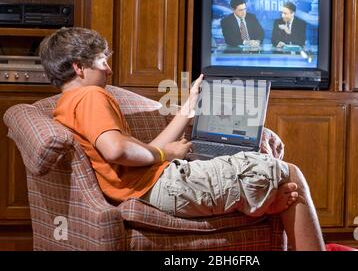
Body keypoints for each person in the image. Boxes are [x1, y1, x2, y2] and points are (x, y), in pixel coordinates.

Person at [39, 27, 325, 251]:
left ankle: (261, 200)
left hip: (155, 185)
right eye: (103, 61)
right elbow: (117, 149)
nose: (109, 70)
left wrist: (188, 110)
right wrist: (166, 156)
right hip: (166, 186)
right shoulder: (91, 95)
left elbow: (141, 151)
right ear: (79, 67)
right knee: (289, 173)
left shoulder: (66, 104)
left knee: (275, 181)